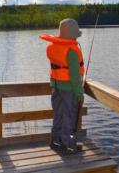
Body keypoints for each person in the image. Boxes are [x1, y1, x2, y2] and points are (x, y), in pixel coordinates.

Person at [40, 18, 84, 154]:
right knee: (70, 116)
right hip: (69, 88)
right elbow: (75, 77)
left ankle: (55, 141)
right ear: (73, 34)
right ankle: (70, 145)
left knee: (58, 114)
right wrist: (80, 93)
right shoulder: (71, 51)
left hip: (56, 86)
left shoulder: (53, 47)